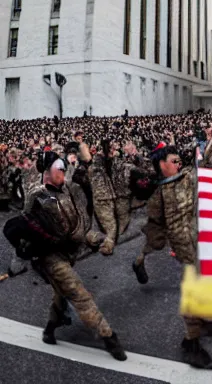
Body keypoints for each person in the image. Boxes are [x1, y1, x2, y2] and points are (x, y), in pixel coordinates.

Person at [3, 151, 127, 360]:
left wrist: (93, 238)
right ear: (48, 172)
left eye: (63, 168)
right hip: (50, 256)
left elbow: (77, 220)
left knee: (62, 294)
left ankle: (51, 327)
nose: (63, 171)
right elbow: (27, 227)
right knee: (78, 292)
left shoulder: (68, 189)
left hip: (70, 250)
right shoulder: (37, 195)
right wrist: (22, 259)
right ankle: (108, 337)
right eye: (59, 168)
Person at [132, 143, 212, 368]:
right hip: (183, 245)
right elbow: (155, 223)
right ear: (161, 165)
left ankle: (205, 323)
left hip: (200, 238)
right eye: (173, 161)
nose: (179, 163)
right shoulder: (158, 193)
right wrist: (149, 248)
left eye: (179, 160)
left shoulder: (187, 176)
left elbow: (204, 169)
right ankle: (191, 340)